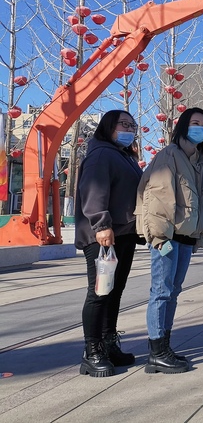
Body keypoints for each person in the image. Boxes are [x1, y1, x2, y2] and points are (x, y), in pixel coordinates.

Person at [136, 107, 203, 374]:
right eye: (195, 122)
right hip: (166, 237)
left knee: (174, 291)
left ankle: (164, 346)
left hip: (184, 237)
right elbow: (157, 197)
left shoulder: (200, 162)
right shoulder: (169, 156)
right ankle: (156, 352)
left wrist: (199, 234)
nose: (200, 127)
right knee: (161, 291)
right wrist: (157, 236)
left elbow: (202, 201)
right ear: (182, 126)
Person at [75, 110, 143, 377]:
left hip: (123, 234)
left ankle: (108, 342)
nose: (129, 129)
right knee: (100, 292)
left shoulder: (123, 155)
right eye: (123, 124)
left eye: (133, 125)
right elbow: (93, 189)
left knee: (114, 291)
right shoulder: (101, 153)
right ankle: (91, 351)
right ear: (108, 127)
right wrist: (101, 224)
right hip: (103, 235)